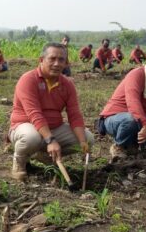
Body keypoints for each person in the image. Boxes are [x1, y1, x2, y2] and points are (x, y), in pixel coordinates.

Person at [9, 43, 93, 181]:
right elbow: (34, 113)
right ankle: (20, 162)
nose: (57, 63)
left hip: (53, 128)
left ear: (66, 63)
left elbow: (74, 114)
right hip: (26, 125)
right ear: (41, 60)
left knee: (88, 138)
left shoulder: (67, 84)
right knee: (32, 138)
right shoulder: (28, 80)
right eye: (52, 59)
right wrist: (51, 140)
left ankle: (44, 155)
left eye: (61, 60)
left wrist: (82, 141)